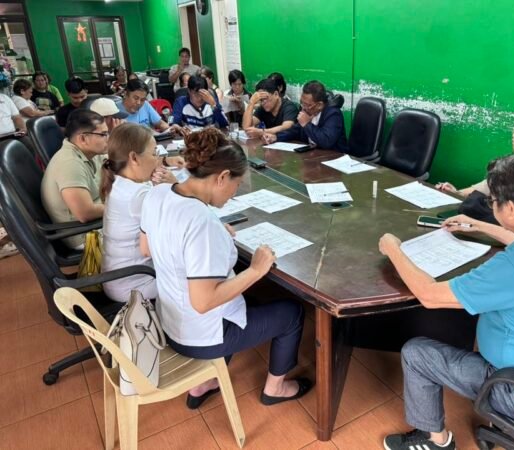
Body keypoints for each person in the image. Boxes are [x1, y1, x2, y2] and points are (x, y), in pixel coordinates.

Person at [378, 151, 514, 450]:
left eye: (492, 200)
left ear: (512, 209)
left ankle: (435, 441)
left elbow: (429, 295)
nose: (490, 204)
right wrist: (479, 225)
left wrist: (393, 248)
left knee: (417, 353)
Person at [139, 128, 312, 409]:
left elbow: (146, 247)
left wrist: (214, 233)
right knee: (291, 312)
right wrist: (255, 270)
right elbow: (203, 302)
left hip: (168, 321)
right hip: (199, 335)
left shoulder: (157, 194)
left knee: (247, 301)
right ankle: (276, 389)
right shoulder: (202, 222)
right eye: (237, 183)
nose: (235, 193)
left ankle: (204, 383)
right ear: (221, 177)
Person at [100, 123, 178, 302]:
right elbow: (184, 221)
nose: (157, 160)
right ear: (134, 158)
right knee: (200, 279)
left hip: (118, 278)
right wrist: (176, 187)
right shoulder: (138, 195)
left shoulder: (119, 182)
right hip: (135, 286)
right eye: (154, 154)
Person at [41, 109, 109, 249]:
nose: (108, 138)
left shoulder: (91, 152)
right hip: (85, 235)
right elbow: (85, 213)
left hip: (98, 223)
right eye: (103, 134)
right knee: (147, 231)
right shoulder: (69, 164)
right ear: (83, 139)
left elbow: (117, 165)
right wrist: (121, 206)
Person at [263, 80, 349, 152]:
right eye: (302, 102)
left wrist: (307, 124)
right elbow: (294, 131)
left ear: (319, 105)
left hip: (334, 158)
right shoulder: (307, 110)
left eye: (307, 105)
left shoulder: (333, 114)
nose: (303, 107)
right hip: (313, 156)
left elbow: (326, 141)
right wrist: (276, 137)